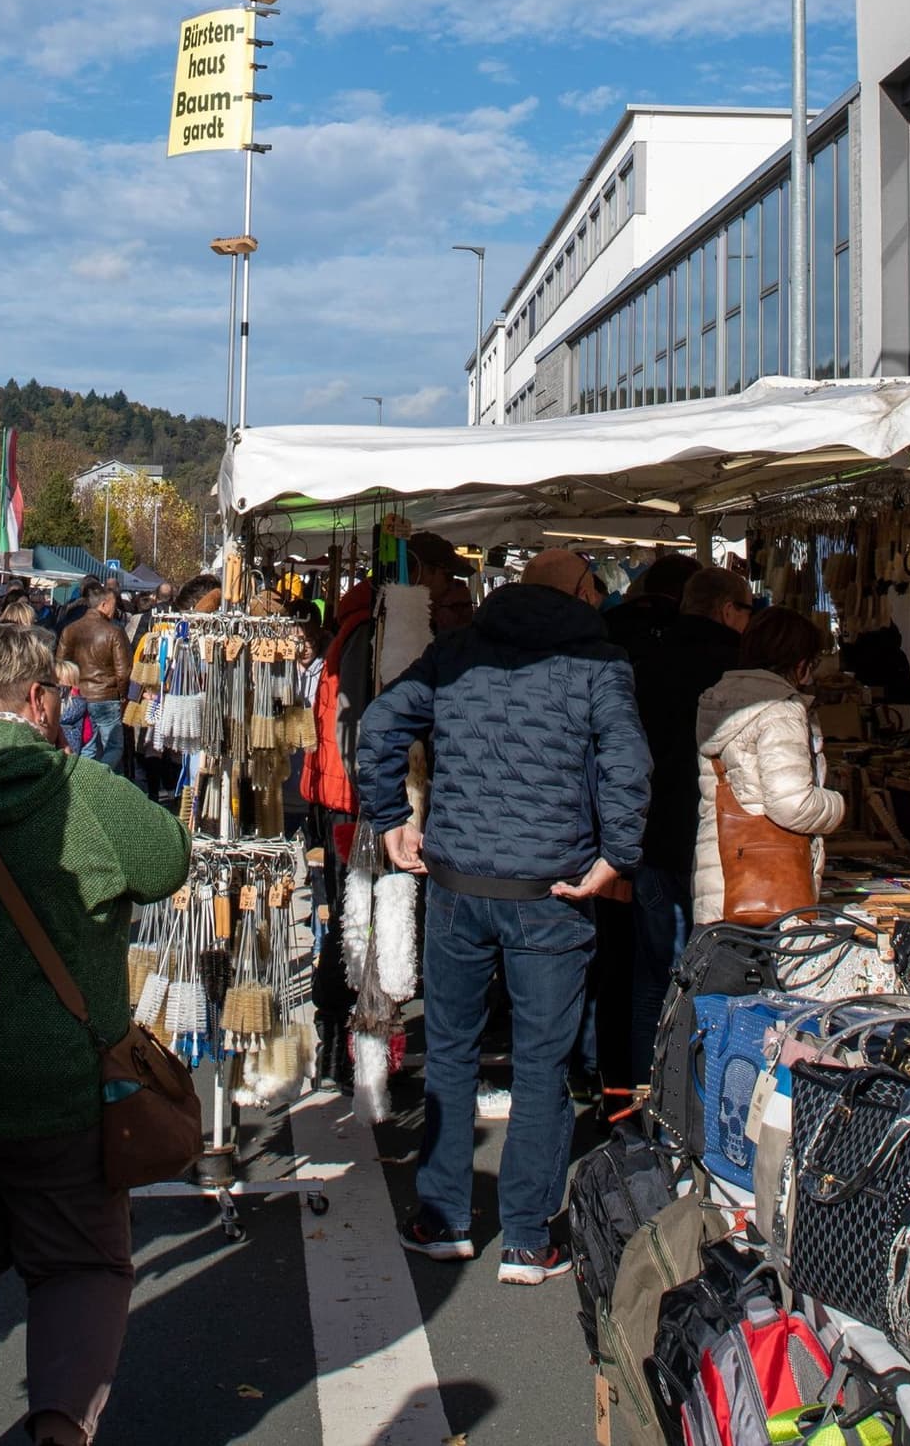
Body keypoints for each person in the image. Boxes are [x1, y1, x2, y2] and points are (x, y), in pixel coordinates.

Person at [0, 626, 190, 1446]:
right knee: (79, 1266)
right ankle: (60, 1429)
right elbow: (167, 858)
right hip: (68, 1087)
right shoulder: (83, 789)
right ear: (39, 701)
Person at [352, 547, 647, 1284]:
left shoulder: (458, 650)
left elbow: (380, 721)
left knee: (451, 1046)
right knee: (542, 1061)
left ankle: (443, 1214)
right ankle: (524, 1237)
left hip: (458, 879)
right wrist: (619, 854)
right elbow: (627, 764)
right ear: (582, 591)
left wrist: (391, 815)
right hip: (550, 890)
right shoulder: (599, 662)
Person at [604, 561, 748, 1076]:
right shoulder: (738, 669)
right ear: (728, 610)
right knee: (711, 977)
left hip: (652, 837)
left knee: (653, 975)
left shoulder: (647, 663)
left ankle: (649, 1098)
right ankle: (692, 1106)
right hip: (716, 843)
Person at [691, 609, 849, 926]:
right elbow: (792, 804)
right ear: (800, 662)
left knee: (730, 967)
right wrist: (838, 804)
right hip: (768, 884)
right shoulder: (781, 708)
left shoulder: (720, 699)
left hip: (724, 877)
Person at [51, 610, 133, 776]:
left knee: (98, 743)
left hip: (79, 691)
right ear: (104, 605)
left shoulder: (70, 629)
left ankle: (99, 774)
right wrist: (123, 696)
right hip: (106, 694)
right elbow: (123, 672)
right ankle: (102, 775)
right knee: (113, 745)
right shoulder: (114, 631)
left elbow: (60, 659)